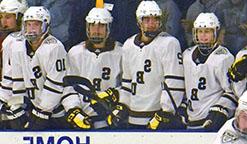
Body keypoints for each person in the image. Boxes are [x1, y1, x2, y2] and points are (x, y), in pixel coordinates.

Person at [107, 0, 184, 129]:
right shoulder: (128, 45)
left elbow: (174, 83)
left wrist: (166, 112)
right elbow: (127, 84)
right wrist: (123, 106)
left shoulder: (169, 43)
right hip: (133, 117)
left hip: (157, 117)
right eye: (147, 20)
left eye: (155, 19)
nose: (152, 24)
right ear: (139, 22)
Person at [7, 6, 67, 130]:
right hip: (34, 109)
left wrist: (43, 111)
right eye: (28, 25)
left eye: (35, 25)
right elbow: (18, 82)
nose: (31, 29)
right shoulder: (18, 47)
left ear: (45, 26)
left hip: (57, 112)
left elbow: (56, 84)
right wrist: (16, 107)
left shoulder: (55, 47)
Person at [62, 7, 122, 129]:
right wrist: (74, 111)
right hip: (82, 120)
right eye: (92, 26)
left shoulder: (121, 52)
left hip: (111, 120)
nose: (96, 30)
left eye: (101, 26)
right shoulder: (75, 53)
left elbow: (129, 86)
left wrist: (116, 94)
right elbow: (68, 87)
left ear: (108, 28)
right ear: (87, 28)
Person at [181, 12, 236, 131]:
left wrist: (220, 110)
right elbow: (185, 89)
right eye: (200, 31)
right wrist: (182, 108)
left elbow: (231, 92)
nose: (203, 35)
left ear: (215, 33)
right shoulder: (187, 55)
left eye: (207, 31)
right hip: (190, 120)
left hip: (211, 120)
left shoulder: (224, 57)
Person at [0, 0, 28, 129]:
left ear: (20, 17)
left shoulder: (14, 41)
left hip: (18, 100)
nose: (3, 22)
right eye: (1, 16)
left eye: (8, 17)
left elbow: (10, 77)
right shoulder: (9, 39)